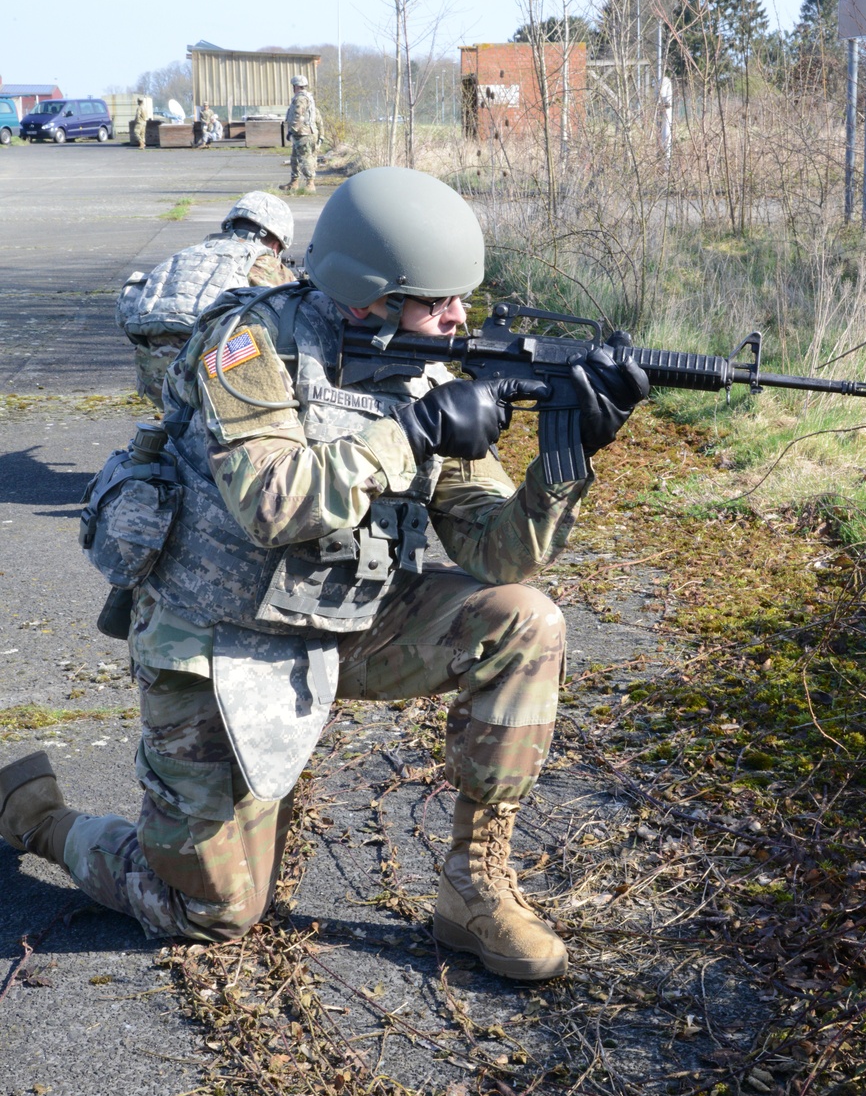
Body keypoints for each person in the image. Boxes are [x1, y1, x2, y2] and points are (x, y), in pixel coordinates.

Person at [0, 169, 648, 981]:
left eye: (461, 300)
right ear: (366, 297)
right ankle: (40, 816)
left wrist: (569, 456)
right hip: (216, 638)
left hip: (349, 624)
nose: (459, 319)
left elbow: (499, 551)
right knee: (210, 911)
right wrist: (409, 434)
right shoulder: (245, 345)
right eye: (436, 300)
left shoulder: (429, 368)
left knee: (525, 620)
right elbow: (273, 504)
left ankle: (472, 888)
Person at [115, 191, 296, 402]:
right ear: (276, 243)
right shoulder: (263, 262)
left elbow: (126, 311)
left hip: (155, 378)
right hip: (214, 376)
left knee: (181, 422)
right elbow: (295, 313)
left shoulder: (185, 255)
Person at [281, 73, 324, 194]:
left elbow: (298, 115)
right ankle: (294, 182)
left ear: (296, 86)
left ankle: (310, 184)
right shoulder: (307, 97)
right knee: (294, 158)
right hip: (300, 133)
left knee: (306, 159)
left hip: (304, 134)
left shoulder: (301, 98)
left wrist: (292, 130)